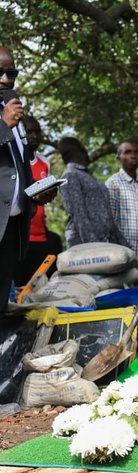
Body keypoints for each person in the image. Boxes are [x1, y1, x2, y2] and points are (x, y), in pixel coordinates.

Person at [1, 48, 50, 314]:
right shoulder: (8, 117)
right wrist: (3, 124)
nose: (6, 80)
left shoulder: (14, 113)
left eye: (11, 73)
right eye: (0, 73)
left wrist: (35, 193)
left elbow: (19, 164)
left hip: (11, 225)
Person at [14, 115, 61, 285]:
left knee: (39, 288)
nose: (34, 136)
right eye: (30, 132)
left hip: (40, 236)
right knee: (17, 286)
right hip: (20, 237)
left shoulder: (44, 162)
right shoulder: (14, 161)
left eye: (37, 132)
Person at [106, 140, 138, 286]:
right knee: (124, 304)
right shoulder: (112, 184)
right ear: (119, 158)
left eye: (136, 152)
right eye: (128, 152)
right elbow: (110, 224)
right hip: (122, 263)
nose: (133, 156)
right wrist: (122, 257)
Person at [58, 137, 127, 248]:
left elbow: (109, 218)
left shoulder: (89, 177)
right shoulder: (70, 175)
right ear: (82, 150)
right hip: (84, 246)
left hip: (104, 243)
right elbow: (79, 215)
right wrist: (95, 246)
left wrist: (124, 246)